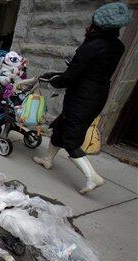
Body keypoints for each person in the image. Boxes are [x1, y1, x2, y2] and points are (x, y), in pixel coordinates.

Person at [33, 2, 131, 194]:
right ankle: (47, 160)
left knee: (71, 139)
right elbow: (91, 70)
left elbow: (72, 75)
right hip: (96, 95)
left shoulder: (93, 45)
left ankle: (92, 177)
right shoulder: (117, 45)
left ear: (99, 24)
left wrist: (54, 81)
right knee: (61, 127)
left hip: (82, 98)